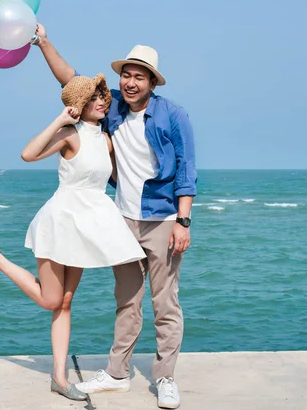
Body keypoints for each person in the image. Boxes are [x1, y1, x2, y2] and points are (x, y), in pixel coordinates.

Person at [33, 25, 197, 409]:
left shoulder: (172, 115)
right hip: (121, 220)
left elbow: (188, 168)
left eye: (140, 76)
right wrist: (43, 42)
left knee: (165, 302)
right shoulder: (114, 111)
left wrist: (183, 221)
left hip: (161, 218)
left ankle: (166, 377)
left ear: (152, 82)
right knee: (127, 299)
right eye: (127, 75)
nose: (131, 83)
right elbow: (73, 81)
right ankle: (118, 373)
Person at [0, 74, 145, 402]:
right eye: (94, 98)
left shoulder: (106, 140)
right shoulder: (69, 134)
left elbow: (120, 179)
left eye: (103, 96)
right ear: (80, 104)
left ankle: (59, 378)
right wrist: (60, 119)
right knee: (51, 299)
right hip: (59, 222)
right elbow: (28, 154)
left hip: (86, 226)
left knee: (64, 302)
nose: (103, 101)